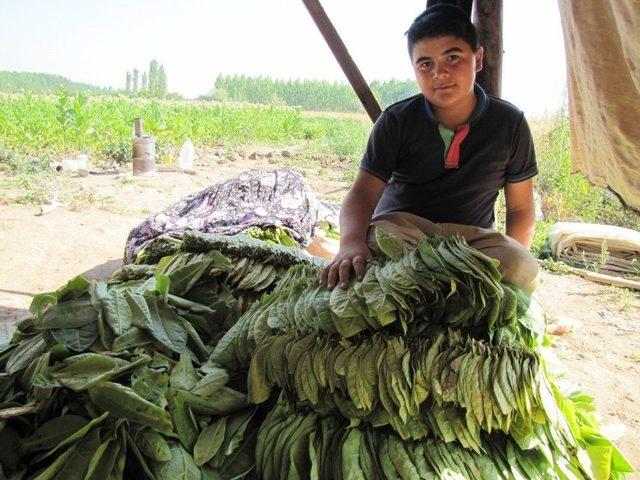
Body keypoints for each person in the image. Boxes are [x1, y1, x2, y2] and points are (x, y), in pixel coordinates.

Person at [321, 0, 539, 292]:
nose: (440, 73)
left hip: (472, 240)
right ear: (413, 68)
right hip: (403, 230)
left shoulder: (510, 123)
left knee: (522, 266)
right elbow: (361, 194)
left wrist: (514, 263)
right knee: (380, 248)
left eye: (453, 58)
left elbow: (521, 208)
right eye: (426, 64)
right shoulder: (396, 121)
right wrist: (349, 244)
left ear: (478, 59)